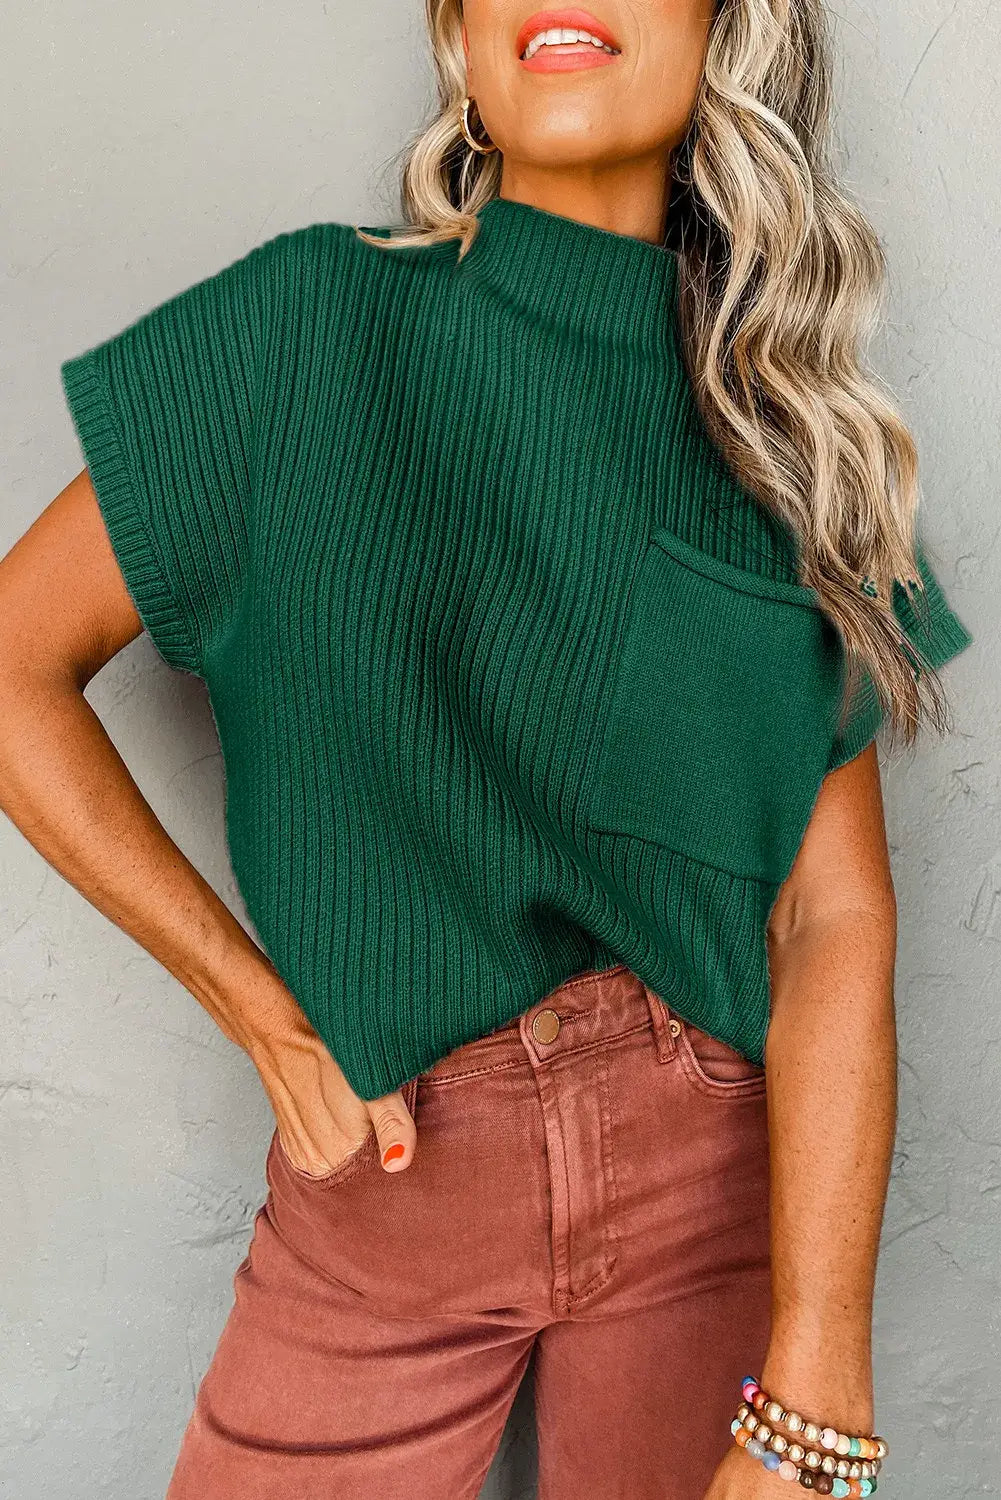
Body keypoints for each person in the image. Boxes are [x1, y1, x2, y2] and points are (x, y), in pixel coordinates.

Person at [0, 1, 975, 1497]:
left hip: (708, 1182)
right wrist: (263, 1015)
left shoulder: (788, 438)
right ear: (461, 34)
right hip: (390, 1184)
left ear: (723, 27)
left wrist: (820, 1378)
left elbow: (830, 916)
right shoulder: (303, 328)